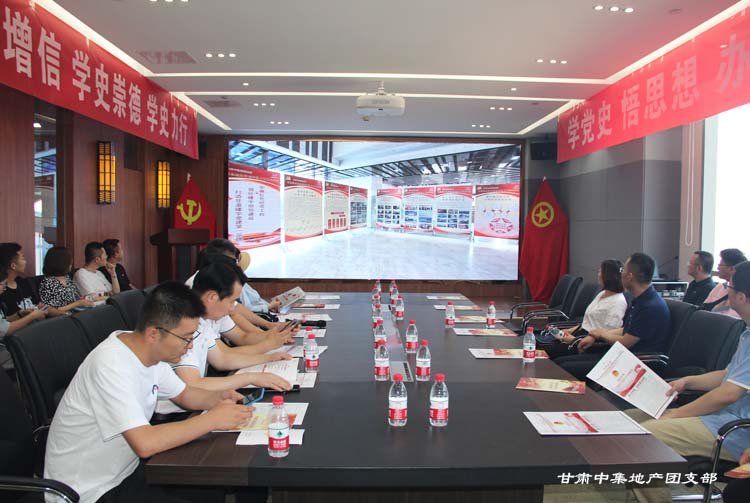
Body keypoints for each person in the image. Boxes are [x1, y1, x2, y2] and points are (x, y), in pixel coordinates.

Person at [44, 281, 254, 503]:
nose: (190, 346)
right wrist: (213, 419)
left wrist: (219, 398)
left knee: (211, 488)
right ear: (153, 334)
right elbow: (145, 444)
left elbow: (184, 395)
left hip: (126, 472)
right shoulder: (111, 364)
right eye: (186, 338)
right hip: (89, 491)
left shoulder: (148, 352)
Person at [626, 260, 750, 503]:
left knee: (641, 439)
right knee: (628, 420)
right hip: (719, 416)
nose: (726, 290)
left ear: (742, 297)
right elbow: (728, 375)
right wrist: (687, 382)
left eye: (729, 287)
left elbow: (729, 393)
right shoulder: (746, 332)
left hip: (735, 431)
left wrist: (677, 414)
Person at [154, 260, 293, 418]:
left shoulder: (203, 319)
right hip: (175, 416)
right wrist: (251, 378)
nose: (233, 309)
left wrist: (268, 358)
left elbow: (222, 358)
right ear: (212, 297)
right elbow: (193, 384)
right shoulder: (183, 325)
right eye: (231, 301)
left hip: (197, 404)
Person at [556, 253, 670, 380]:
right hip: (622, 356)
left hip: (635, 364)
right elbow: (627, 329)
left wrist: (600, 334)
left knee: (564, 369)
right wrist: (595, 334)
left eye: (623, 270)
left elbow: (625, 342)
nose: (621, 274)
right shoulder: (642, 299)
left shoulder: (650, 306)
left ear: (630, 276)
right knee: (560, 364)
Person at [547, 259, 628, 359]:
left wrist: (574, 340)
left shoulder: (618, 302)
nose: (598, 274)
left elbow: (607, 335)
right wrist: (569, 330)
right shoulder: (602, 293)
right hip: (581, 335)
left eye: (600, 271)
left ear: (607, 276)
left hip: (591, 344)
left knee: (552, 353)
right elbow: (589, 321)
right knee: (550, 346)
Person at [38, 246, 95, 313]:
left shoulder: (67, 278)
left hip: (77, 314)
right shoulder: (48, 283)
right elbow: (49, 310)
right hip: (62, 317)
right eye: (69, 261)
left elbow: (75, 298)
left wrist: (85, 300)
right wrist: (78, 303)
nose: (71, 264)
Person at [0, 266, 46, 339]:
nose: (4, 288)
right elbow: (5, 330)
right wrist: (32, 316)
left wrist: (19, 314)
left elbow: (4, 322)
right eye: (3, 284)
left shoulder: (24, 282)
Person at [701, 248, 746, 318]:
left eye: (720, 265)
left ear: (731, 269)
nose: (717, 268)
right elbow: (704, 307)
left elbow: (733, 319)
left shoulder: (742, 293)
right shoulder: (720, 287)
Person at [0, 242, 43, 316]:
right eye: (23, 258)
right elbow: (5, 322)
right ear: (13, 266)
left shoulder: (24, 283)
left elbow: (37, 305)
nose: (25, 262)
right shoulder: (2, 290)